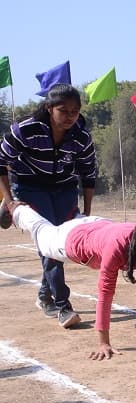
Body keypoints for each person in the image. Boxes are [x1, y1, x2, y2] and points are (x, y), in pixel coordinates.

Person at [1, 201, 136, 360]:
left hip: (98, 225)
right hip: (73, 239)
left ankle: (74, 215)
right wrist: (103, 343)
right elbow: (105, 294)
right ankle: (16, 208)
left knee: (70, 224)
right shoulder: (116, 249)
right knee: (42, 232)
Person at [0, 84, 97, 328]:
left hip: (64, 188)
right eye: (63, 111)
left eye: (75, 111)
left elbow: (88, 174)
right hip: (30, 187)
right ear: (49, 108)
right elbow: (1, 162)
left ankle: (45, 296)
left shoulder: (81, 137)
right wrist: (11, 199)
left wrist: (86, 211)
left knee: (62, 243)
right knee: (49, 242)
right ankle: (63, 306)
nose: (70, 117)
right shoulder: (26, 130)